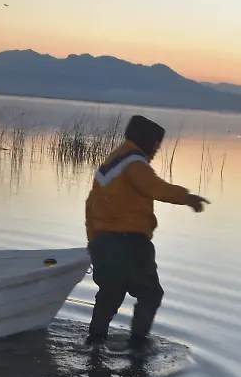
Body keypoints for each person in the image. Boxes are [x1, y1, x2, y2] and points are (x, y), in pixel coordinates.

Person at [84, 115, 208, 348]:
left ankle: (95, 341)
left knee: (110, 294)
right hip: (130, 243)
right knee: (150, 294)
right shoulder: (133, 162)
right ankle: (138, 344)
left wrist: (94, 242)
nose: (156, 150)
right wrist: (187, 198)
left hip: (103, 242)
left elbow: (90, 206)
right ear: (148, 141)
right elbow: (156, 188)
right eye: (156, 144)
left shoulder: (111, 163)